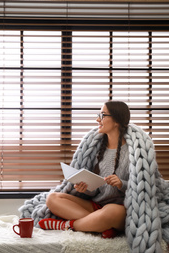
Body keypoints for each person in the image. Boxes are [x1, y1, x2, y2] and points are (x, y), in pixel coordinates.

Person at [39, 100, 130, 239]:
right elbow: (97, 189)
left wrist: (121, 183)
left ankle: (67, 225)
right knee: (52, 198)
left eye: (103, 115)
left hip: (119, 209)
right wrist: (85, 188)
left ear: (117, 120)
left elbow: (146, 188)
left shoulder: (135, 152)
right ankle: (102, 225)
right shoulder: (97, 149)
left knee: (110, 212)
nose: (97, 119)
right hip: (96, 205)